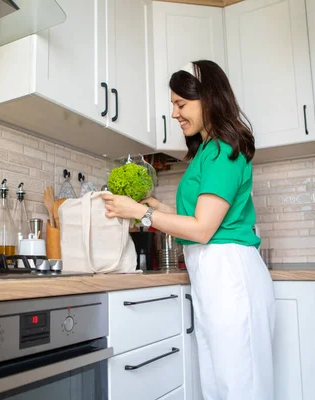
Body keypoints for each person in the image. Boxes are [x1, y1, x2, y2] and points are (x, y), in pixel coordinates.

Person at [101, 60, 275, 400]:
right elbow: (191, 215)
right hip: (213, 279)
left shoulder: (225, 151)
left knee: (241, 387)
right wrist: (150, 207)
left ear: (208, 98)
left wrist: (142, 212)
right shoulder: (206, 154)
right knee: (217, 384)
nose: (175, 113)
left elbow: (202, 228)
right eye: (173, 105)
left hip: (231, 277)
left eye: (181, 104)